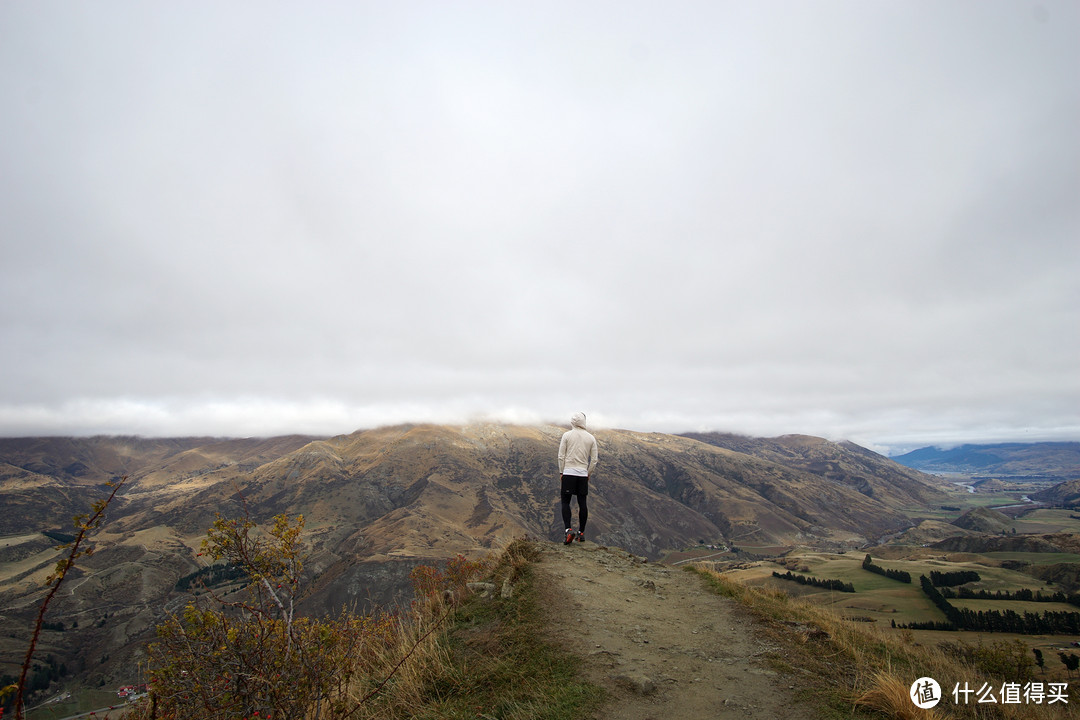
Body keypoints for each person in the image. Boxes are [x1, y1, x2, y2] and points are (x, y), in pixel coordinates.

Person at [557, 412, 598, 545]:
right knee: (582, 503)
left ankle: (568, 530)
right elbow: (594, 460)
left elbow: (561, 456)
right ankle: (581, 533)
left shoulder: (567, 435)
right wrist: (588, 473)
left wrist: (561, 472)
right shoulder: (591, 438)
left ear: (572, 422)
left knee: (565, 502)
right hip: (582, 474)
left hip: (568, 472)